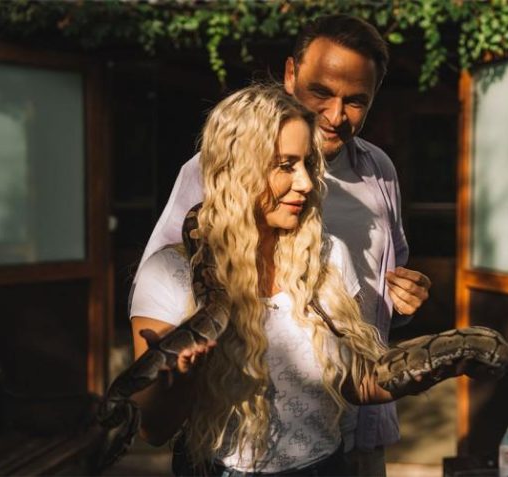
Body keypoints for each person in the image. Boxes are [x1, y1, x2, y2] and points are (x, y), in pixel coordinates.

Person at [133, 14, 431, 476]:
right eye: (322, 93)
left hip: (347, 426)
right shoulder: (208, 171)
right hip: (232, 444)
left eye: (356, 101)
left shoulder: (378, 174)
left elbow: (378, 305)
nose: (337, 116)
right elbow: (171, 287)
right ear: (291, 74)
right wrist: (181, 373)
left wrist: (409, 311)